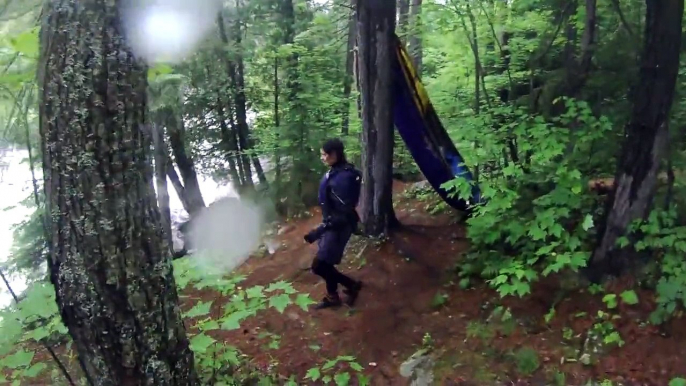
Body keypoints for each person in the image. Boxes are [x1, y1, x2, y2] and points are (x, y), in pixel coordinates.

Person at [304, 138, 363, 310]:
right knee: (326, 263)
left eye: (324, 154)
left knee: (319, 265)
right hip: (333, 224)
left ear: (334, 154)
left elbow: (343, 213)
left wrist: (319, 231)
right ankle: (333, 296)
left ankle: (351, 285)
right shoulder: (338, 171)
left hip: (340, 227)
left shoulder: (343, 178)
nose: (322, 158)